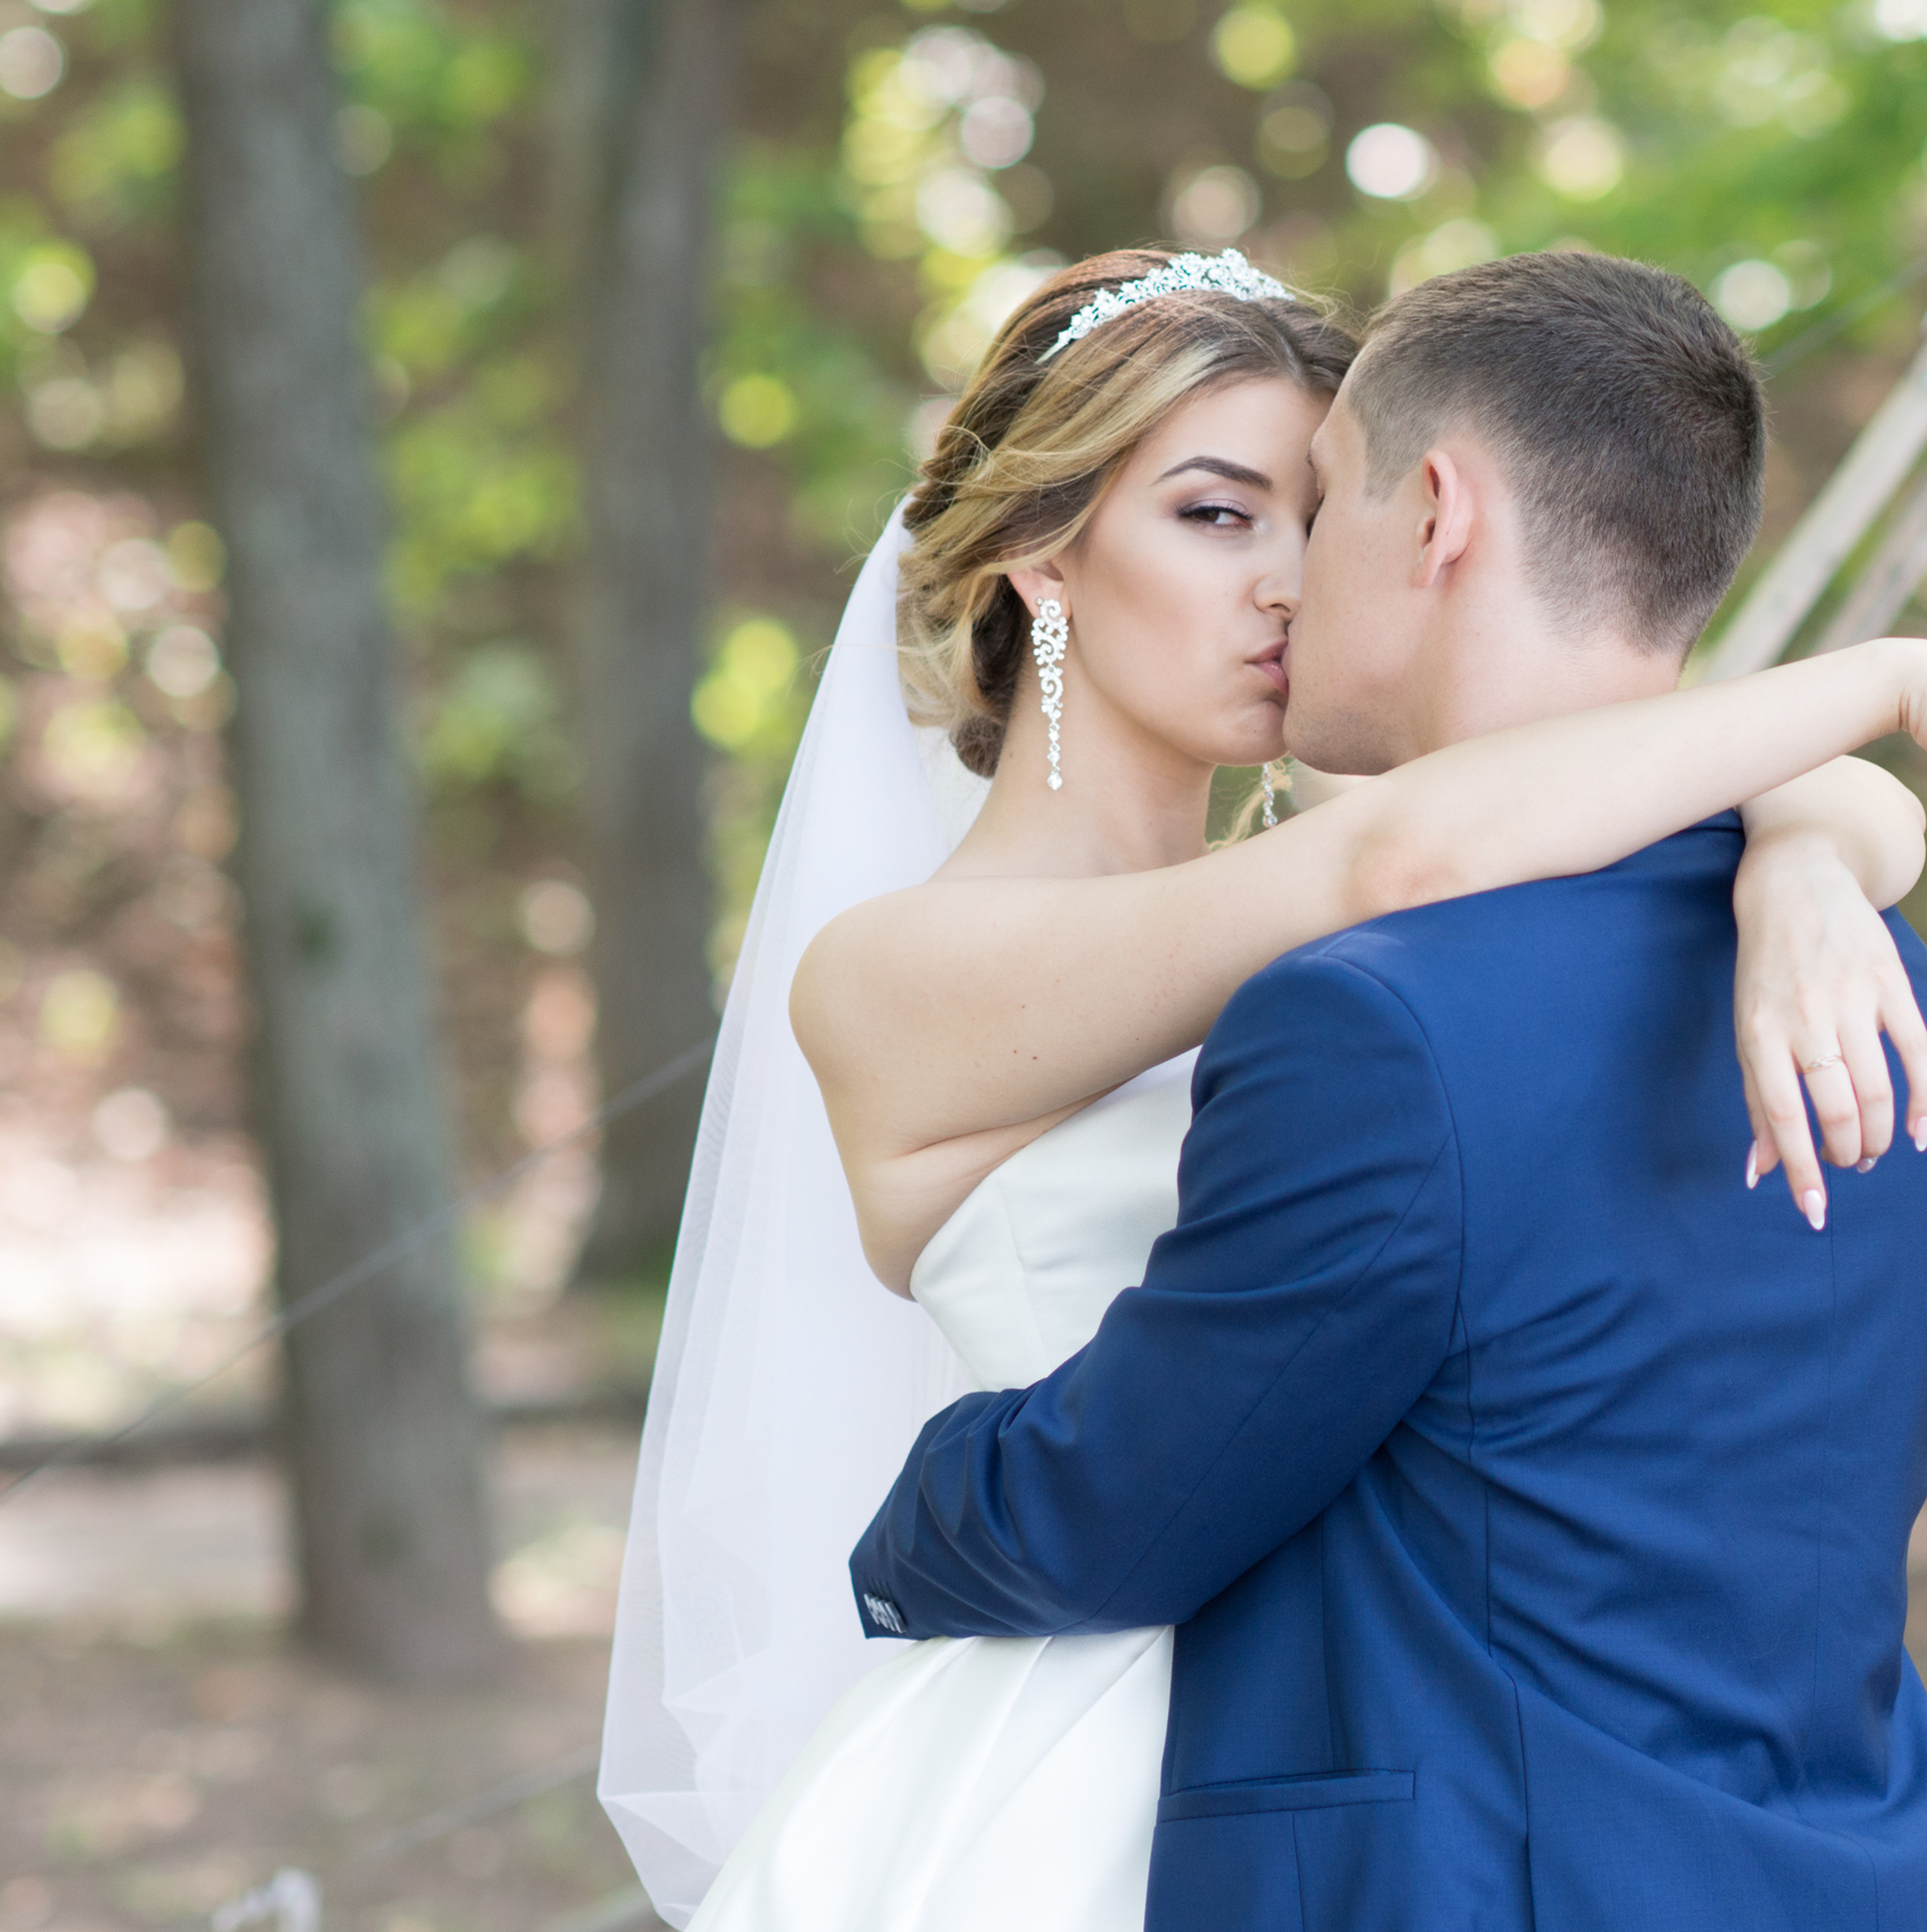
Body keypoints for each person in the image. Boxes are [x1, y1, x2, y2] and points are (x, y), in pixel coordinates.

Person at [600, 247, 1927, 1928]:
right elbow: (1404, 851)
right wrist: (1875, 699)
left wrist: (1807, 854)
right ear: (1042, 561)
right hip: (1075, 1729)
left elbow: (1498, 837)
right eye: (1217, 515)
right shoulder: (898, 969)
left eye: (1311, 511)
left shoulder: (1358, 897)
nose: (1291, 579)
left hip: (1359, 1732)